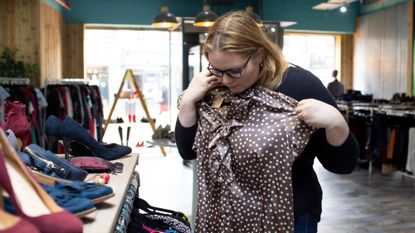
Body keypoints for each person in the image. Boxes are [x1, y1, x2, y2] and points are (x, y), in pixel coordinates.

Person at [175, 11, 359, 233]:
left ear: (259, 55)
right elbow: (188, 151)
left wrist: (336, 123)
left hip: (290, 216)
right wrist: (188, 102)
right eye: (216, 69)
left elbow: (343, 164)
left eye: (234, 71)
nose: (225, 80)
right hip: (228, 216)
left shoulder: (299, 87)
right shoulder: (218, 90)